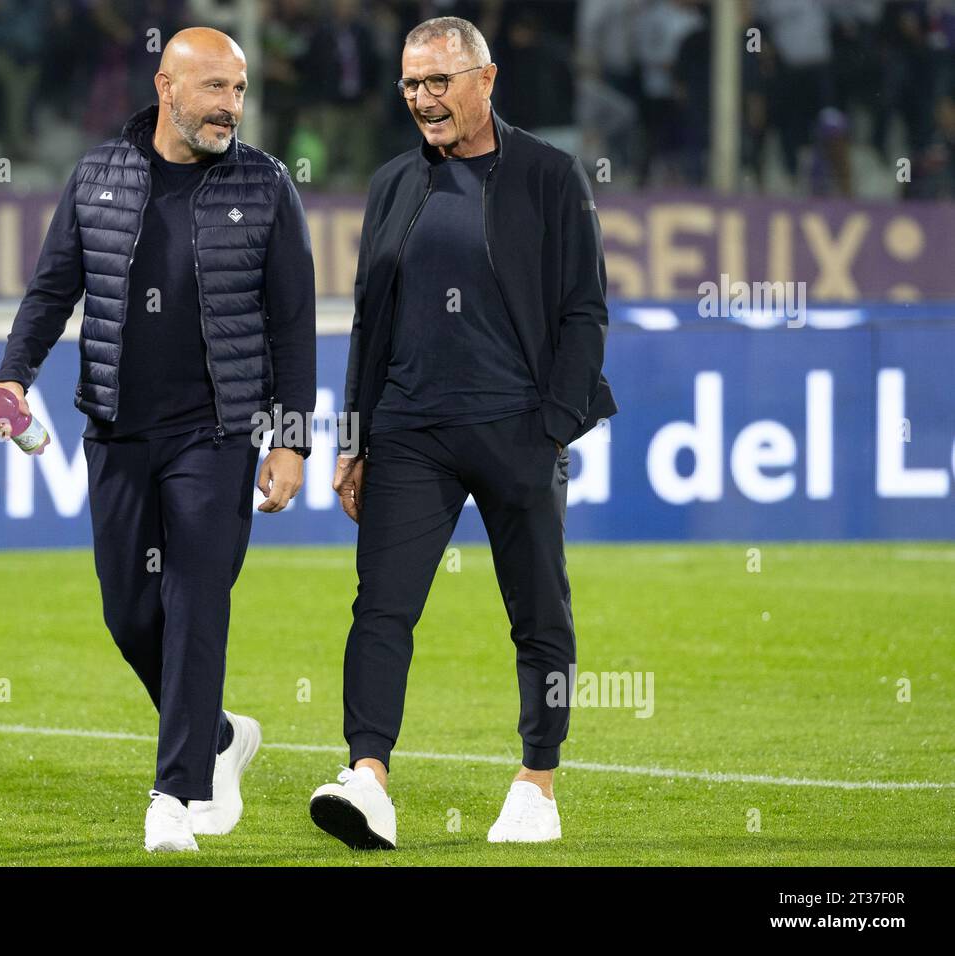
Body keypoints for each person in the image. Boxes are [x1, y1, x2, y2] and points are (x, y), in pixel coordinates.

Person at [0, 28, 316, 853]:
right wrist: (13, 375)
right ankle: (222, 736)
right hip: (117, 429)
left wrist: (291, 439)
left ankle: (175, 796)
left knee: (197, 604)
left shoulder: (267, 184)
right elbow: (54, 286)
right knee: (130, 614)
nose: (231, 107)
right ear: (167, 87)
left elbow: (294, 322)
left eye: (239, 91)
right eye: (215, 90)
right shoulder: (100, 174)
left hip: (219, 432)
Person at [308, 15, 617, 850]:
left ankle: (538, 783)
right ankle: (367, 777)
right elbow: (369, 322)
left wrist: (551, 428)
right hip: (409, 431)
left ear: (485, 80)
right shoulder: (393, 185)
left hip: (516, 427)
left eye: (438, 82)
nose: (422, 99)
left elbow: (585, 312)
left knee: (539, 610)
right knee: (381, 607)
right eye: (411, 83)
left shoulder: (550, 176)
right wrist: (356, 437)